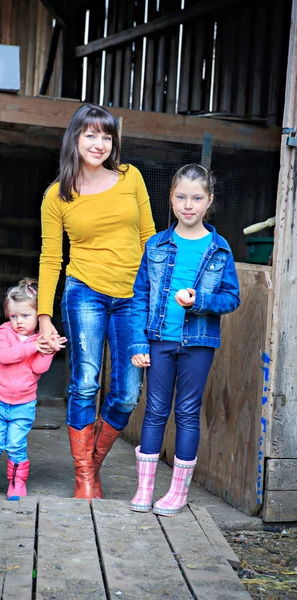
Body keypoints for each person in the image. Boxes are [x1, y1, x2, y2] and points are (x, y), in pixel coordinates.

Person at [38, 103, 156, 500]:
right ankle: (84, 476)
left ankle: (93, 462)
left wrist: (154, 295)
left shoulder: (130, 177)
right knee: (85, 383)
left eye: (106, 136)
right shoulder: (57, 196)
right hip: (84, 291)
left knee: (126, 392)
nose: (99, 143)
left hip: (133, 298)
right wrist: (43, 317)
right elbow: (51, 257)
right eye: (91, 135)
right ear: (74, 138)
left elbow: (150, 238)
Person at [128, 164, 240, 516]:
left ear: (209, 201)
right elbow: (139, 297)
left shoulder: (220, 250)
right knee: (155, 411)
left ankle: (177, 493)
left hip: (198, 344)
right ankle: (144, 490)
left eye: (196, 198)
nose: (188, 205)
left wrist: (201, 302)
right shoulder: (156, 244)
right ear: (171, 199)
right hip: (159, 340)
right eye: (181, 197)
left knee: (187, 412)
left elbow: (232, 298)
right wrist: (138, 343)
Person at [0, 278, 66, 502]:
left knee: (16, 444)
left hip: (23, 404)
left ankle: (17, 483)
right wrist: (31, 347)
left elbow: (37, 369)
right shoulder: (4, 333)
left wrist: (48, 351)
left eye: (25, 316)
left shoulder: (39, 340)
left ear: (39, 317)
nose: (18, 321)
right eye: (14, 316)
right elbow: (4, 356)